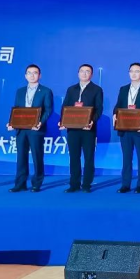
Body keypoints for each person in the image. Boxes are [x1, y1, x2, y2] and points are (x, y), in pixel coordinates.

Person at [7, 64, 54, 193]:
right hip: (21, 129)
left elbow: (48, 110)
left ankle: (36, 183)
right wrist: (12, 123)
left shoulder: (45, 91)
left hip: (36, 129)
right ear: (25, 76)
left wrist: (40, 122)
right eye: (29, 73)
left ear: (40, 75)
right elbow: (17, 110)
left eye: (35, 73)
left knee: (37, 156)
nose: (32, 75)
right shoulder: (20, 91)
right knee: (21, 156)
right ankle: (20, 183)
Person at [60, 64, 103, 193]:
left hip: (88, 129)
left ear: (92, 74)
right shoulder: (71, 89)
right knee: (74, 157)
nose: (84, 73)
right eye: (82, 71)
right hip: (72, 129)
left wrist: (91, 121)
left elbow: (99, 109)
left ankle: (87, 184)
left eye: (87, 71)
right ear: (78, 73)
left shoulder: (96, 89)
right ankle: (74, 184)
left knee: (89, 157)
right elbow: (65, 107)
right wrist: (62, 121)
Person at [114, 62, 140, 193]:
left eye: (137, 71)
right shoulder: (123, 89)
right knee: (127, 157)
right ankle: (125, 184)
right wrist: (115, 114)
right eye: (131, 71)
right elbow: (118, 106)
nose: (134, 73)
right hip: (125, 128)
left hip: (139, 129)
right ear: (128, 73)